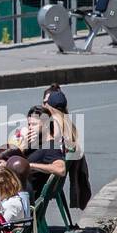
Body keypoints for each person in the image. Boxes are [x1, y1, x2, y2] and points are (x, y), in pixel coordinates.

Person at [44, 84, 90, 212]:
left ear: (50, 106)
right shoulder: (68, 122)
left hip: (51, 177)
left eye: (46, 103)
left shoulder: (55, 121)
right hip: (58, 179)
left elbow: (52, 142)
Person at [10, 105, 65, 199]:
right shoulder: (36, 144)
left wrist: (30, 165)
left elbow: (61, 169)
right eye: (29, 124)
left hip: (18, 192)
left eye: (34, 124)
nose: (30, 128)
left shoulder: (51, 147)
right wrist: (23, 146)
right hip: (13, 184)